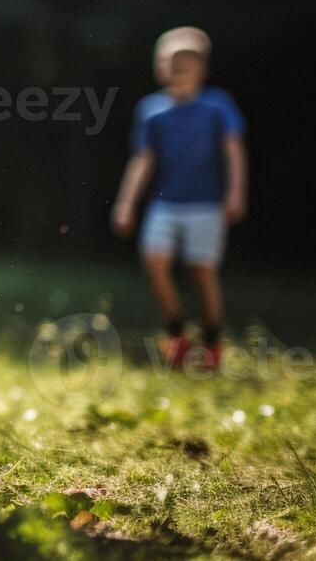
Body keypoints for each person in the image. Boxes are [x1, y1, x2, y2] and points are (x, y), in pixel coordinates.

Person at [110, 26, 247, 371]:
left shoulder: (217, 106)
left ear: (202, 68)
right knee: (154, 258)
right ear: (159, 66)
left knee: (202, 270)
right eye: (168, 62)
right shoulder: (152, 111)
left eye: (184, 62)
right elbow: (144, 159)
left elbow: (233, 151)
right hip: (165, 203)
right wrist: (126, 202)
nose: (175, 69)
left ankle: (212, 341)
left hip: (206, 204)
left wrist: (235, 192)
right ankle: (177, 333)